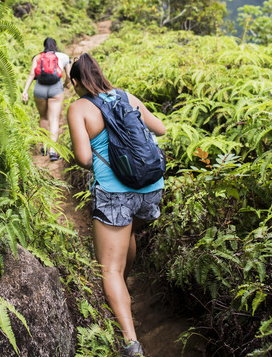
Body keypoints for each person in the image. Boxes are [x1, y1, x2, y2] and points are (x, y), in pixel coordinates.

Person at [65, 53, 166, 357]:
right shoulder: (125, 95)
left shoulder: (78, 109)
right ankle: (124, 286)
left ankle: (130, 344)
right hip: (150, 187)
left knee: (109, 268)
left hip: (114, 193)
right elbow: (159, 129)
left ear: (74, 82)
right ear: (99, 73)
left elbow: (84, 159)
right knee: (129, 235)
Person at [21, 37, 71, 161]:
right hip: (55, 89)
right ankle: (53, 152)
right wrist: (65, 85)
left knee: (43, 117)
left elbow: (32, 74)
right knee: (54, 120)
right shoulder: (63, 56)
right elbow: (68, 76)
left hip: (39, 89)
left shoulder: (38, 57)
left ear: (44, 46)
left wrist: (25, 91)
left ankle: (44, 146)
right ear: (55, 45)